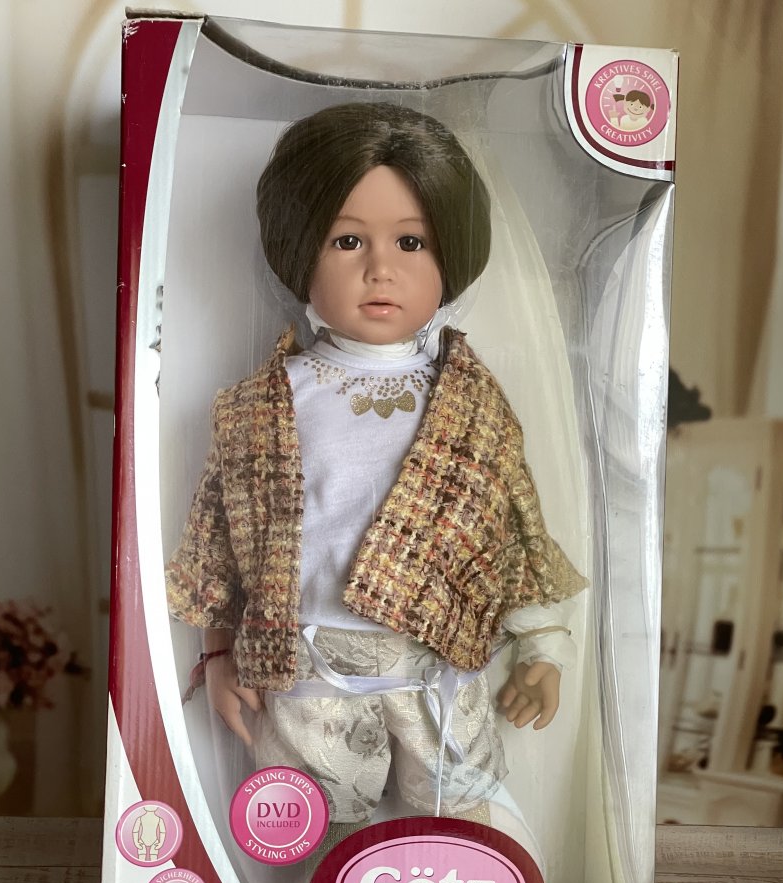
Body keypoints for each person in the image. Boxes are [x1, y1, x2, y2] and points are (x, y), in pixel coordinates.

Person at [166, 102, 586, 837]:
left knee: (457, 820)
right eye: (348, 240)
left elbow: (513, 530)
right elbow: (222, 543)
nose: (380, 268)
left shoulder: (469, 401)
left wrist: (541, 646)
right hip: (305, 665)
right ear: (301, 251)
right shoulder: (260, 405)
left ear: (450, 254)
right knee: (307, 824)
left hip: (435, 662)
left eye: (411, 242)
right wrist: (222, 652)